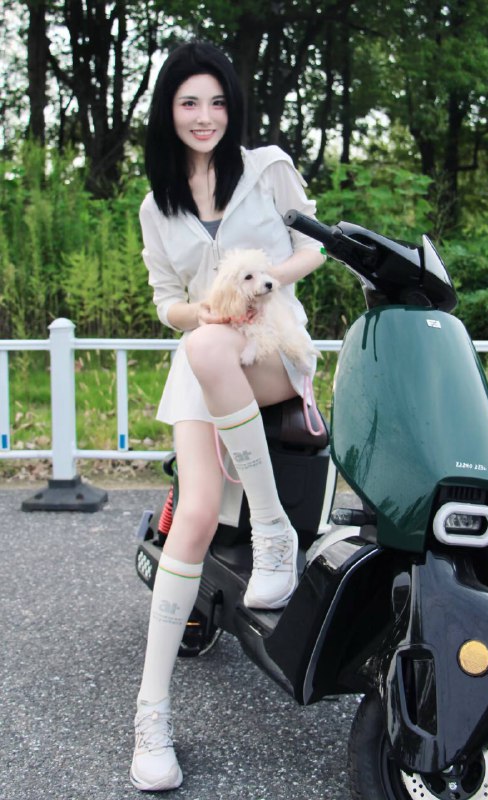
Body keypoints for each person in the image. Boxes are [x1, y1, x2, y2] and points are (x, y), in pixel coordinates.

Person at [130, 40, 325, 792]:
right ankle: (151, 715)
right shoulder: (157, 205)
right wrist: (204, 311)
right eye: (189, 103)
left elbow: (315, 247)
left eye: (216, 101)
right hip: (206, 355)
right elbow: (164, 302)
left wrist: (260, 282)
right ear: (169, 112)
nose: (204, 116)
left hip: (271, 344)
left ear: (232, 107)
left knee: (213, 346)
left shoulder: (267, 167)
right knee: (194, 516)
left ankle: (274, 530)